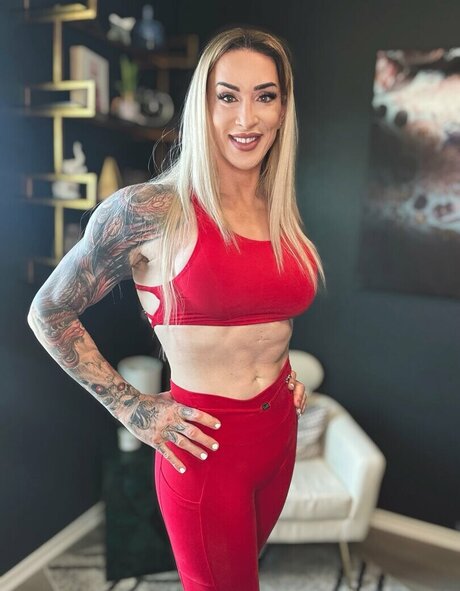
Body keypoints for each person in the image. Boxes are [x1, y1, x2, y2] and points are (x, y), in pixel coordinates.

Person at [27, 25, 325, 591]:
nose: (247, 118)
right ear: (201, 107)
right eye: (227, 97)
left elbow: (263, 314)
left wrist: (282, 375)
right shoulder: (150, 210)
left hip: (278, 433)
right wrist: (131, 408)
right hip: (205, 447)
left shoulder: (276, 208)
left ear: (283, 109)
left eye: (264, 96)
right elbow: (49, 311)